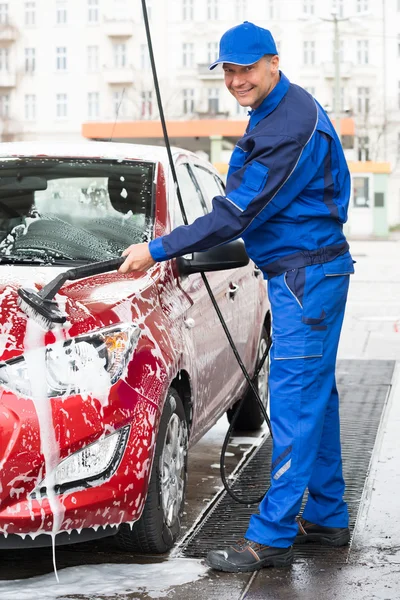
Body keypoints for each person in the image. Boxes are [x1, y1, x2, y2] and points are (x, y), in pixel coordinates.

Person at [119, 21, 354, 573]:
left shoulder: (289, 125)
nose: (236, 79)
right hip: (305, 273)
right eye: (228, 70)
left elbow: (236, 213)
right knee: (316, 400)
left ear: (274, 62)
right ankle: (326, 516)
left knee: (295, 406)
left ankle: (269, 538)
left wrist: (158, 249)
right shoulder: (275, 112)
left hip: (306, 279)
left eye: (246, 68)